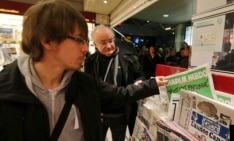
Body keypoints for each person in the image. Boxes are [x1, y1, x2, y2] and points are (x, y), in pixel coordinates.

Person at [0, 1, 168, 141]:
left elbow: (118, 95)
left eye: (86, 41)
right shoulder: (6, 90)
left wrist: (151, 85)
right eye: (79, 40)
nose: (86, 49)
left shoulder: (83, 84)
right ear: (48, 41)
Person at [84, 24, 146, 141]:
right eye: (103, 43)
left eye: (110, 40)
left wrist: (138, 82)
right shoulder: (91, 61)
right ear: (95, 44)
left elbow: (140, 75)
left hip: (121, 113)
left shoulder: (128, 58)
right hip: (99, 113)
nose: (109, 45)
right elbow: (88, 88)